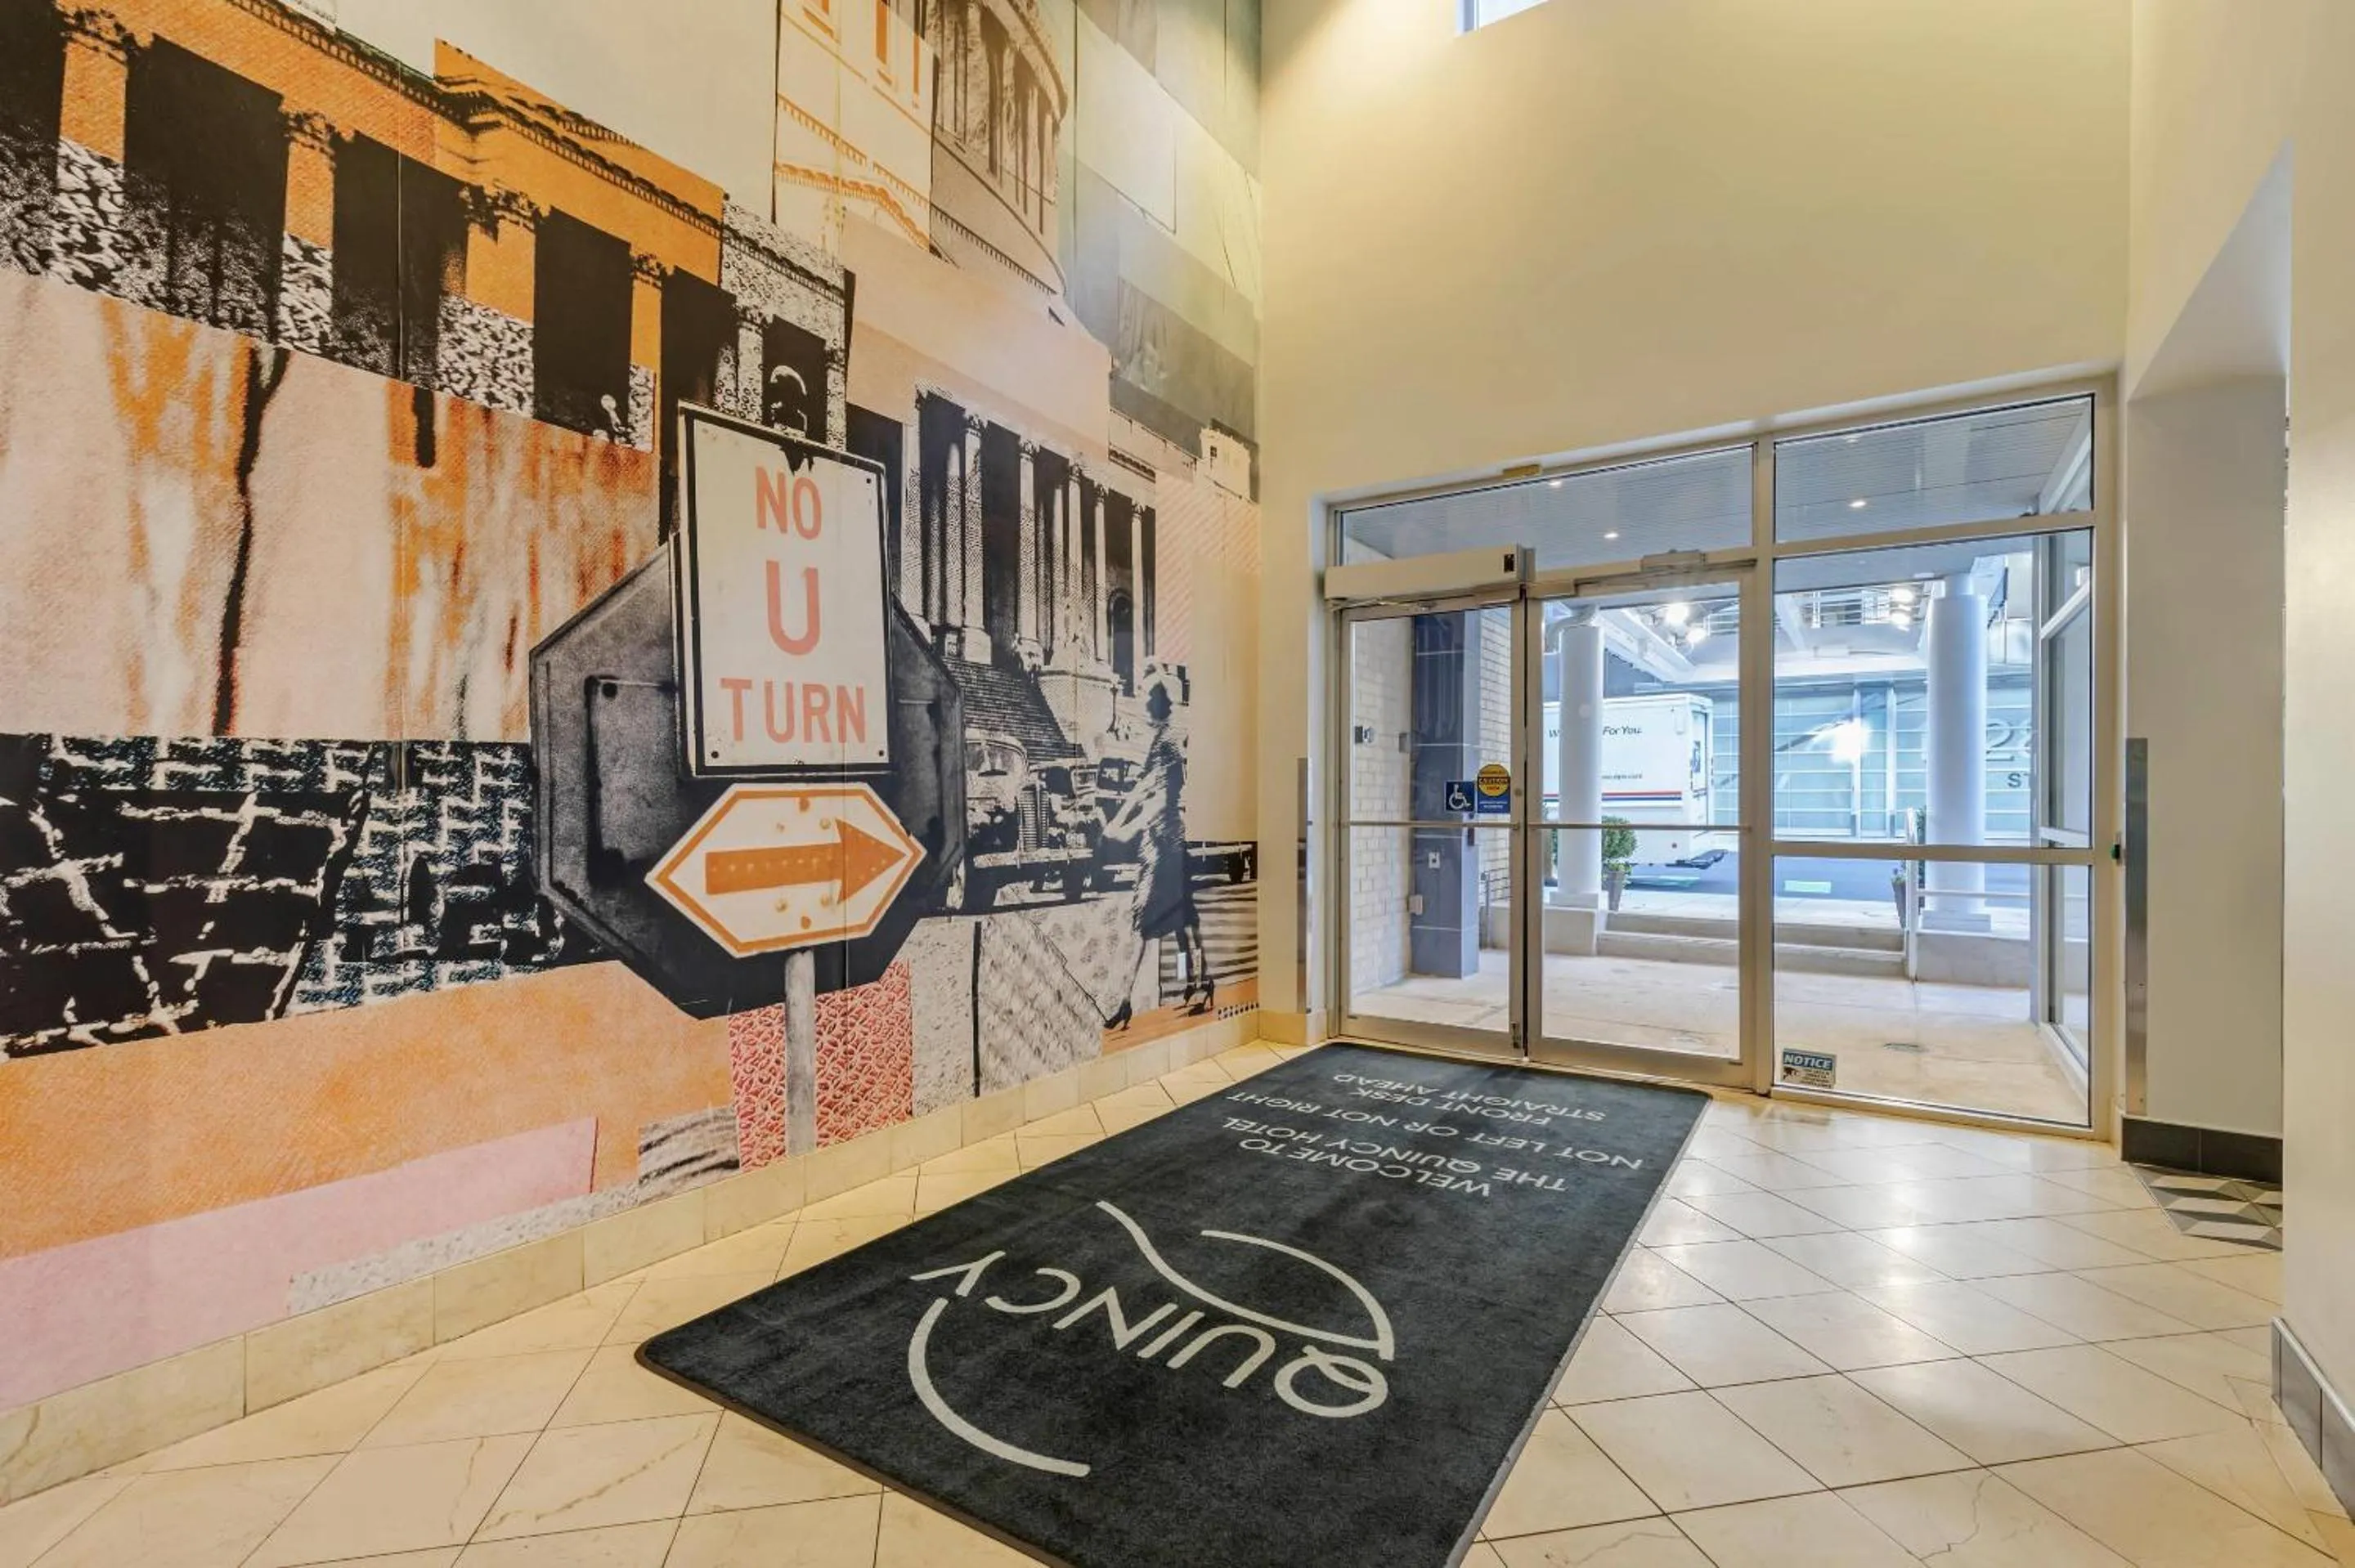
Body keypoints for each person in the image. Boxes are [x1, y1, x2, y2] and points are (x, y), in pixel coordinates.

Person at [1101, 681, 1211, 1028]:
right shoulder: (1165, 754)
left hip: (1160, 855)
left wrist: (1111, 827)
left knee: (1147, 931)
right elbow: (1141, 791)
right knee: (1185, 924)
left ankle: (1128, 1000)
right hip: (1167, 851)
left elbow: (1140, 801)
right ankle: (1196, 983)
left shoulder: (1164, 758)